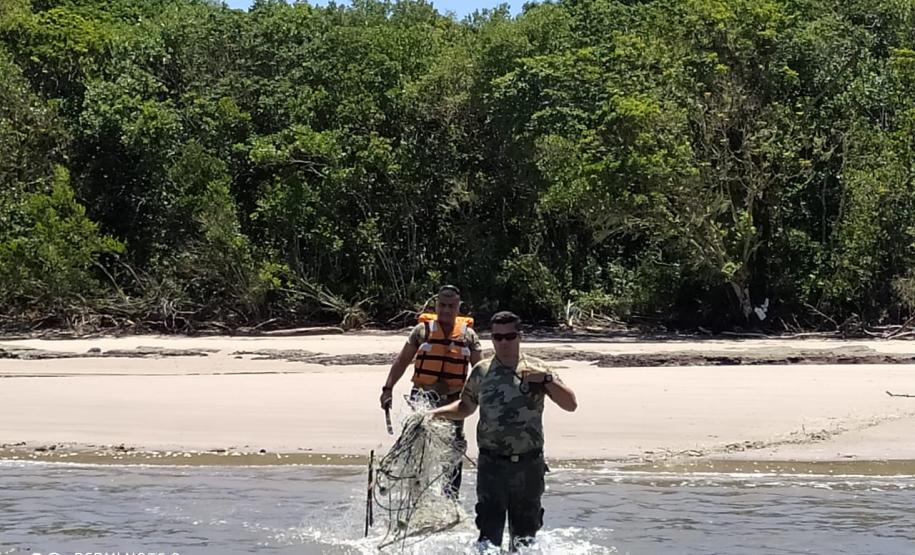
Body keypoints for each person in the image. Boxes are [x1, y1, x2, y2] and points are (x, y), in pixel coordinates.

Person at [430, 310, 577, 551]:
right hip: (491, 466)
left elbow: (570, 404)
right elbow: (466, 406)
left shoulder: (537, 369)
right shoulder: (482, 371)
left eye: (509, 337)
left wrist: (548, 380)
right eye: (498, 338)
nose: (504, 343)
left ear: (519, 336)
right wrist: (436, 413)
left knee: (525, 539)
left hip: (529, 465)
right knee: (488, 538)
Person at [379, 284, 483, 497]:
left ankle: (450, 497)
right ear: (436, 305)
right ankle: (416, 496)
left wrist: (486, 398)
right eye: (442, 305)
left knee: (453, 448)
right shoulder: (422, 331)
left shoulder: (469, 336)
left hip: (454, 401)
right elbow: (402, 360)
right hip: (423, 400)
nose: (446, 310)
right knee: (417, 446)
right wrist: (388, 388)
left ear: (458, 306)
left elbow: (481, 370)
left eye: (451, 306)